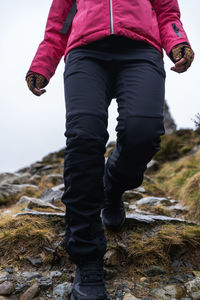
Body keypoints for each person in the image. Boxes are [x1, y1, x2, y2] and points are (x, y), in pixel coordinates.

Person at [26, 0, 194, 299]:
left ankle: (112, 188)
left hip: (141, 51)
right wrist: (43, 63)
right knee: (83, 140)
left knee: (143, 133)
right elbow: (58, 27)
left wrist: (177, 39)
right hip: (85, 54)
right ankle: (87, 256)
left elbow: (167, 10)